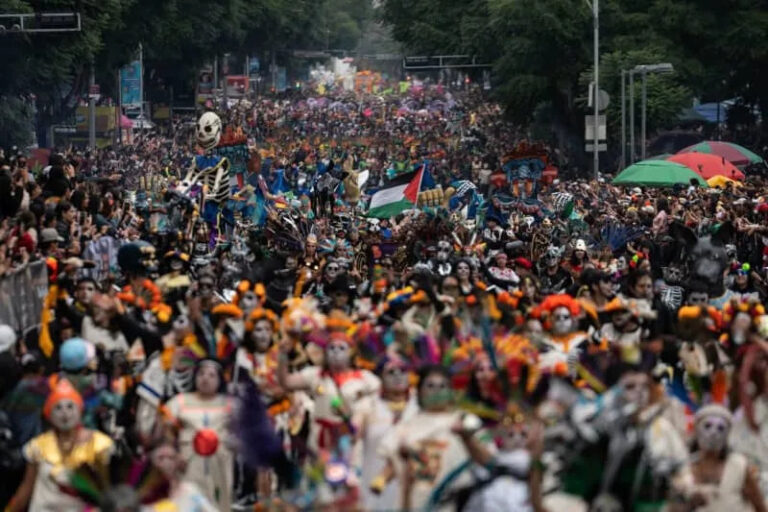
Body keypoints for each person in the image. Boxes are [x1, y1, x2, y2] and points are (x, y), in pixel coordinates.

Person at [6, 379, 114, 512]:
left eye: (70, 406)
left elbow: (108, 491)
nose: (65, 413)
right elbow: (26, 489)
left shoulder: (99, 444)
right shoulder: (38, 446)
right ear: (49, 415)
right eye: (58, 407)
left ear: (80, 410)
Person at [164, 359, 235, 511]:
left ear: (220, 380)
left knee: (219, 502)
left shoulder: (230, 404)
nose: (205, 378)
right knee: (188, 500)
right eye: (201, 374)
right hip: (188, 462)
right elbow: (165, 429)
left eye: (211, 375)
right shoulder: (180, 402)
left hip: (220, 463)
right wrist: (174, 454)